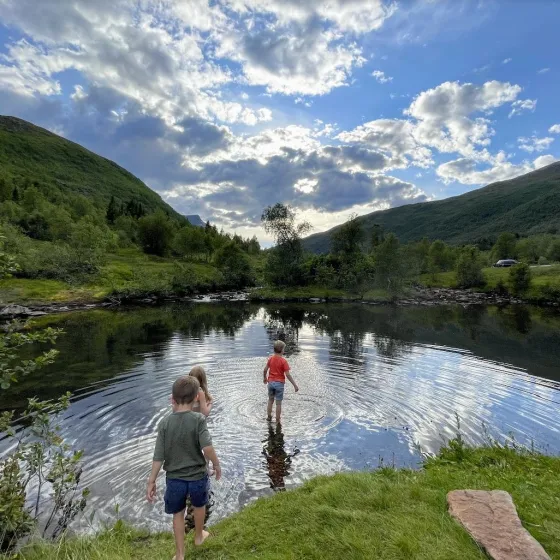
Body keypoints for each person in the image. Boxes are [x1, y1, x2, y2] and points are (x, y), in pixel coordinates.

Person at [147, 376, 221, 560]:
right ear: (197, 397)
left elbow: (158, 456)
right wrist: (216, 464)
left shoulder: (164, 423)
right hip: (197, 477)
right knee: (199, 506)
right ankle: (198, 536)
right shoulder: (198, 419)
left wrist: (151, 480)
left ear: (172, 398)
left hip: (174, 480)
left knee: (178, 515)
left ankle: (180, 554)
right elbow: (207, 448)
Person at [263, 340, 299, 423]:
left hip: (271, 383)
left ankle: (269, 417)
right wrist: (295, 385)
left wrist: (265, 378)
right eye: (284, 349)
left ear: (274, 349)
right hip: (279, 384)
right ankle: (278, 420)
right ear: (282, 350)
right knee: (278, 403)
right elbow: (288, 375)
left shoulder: (271, 359)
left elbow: (265, 370)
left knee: (270, 401)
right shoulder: (284, 361)